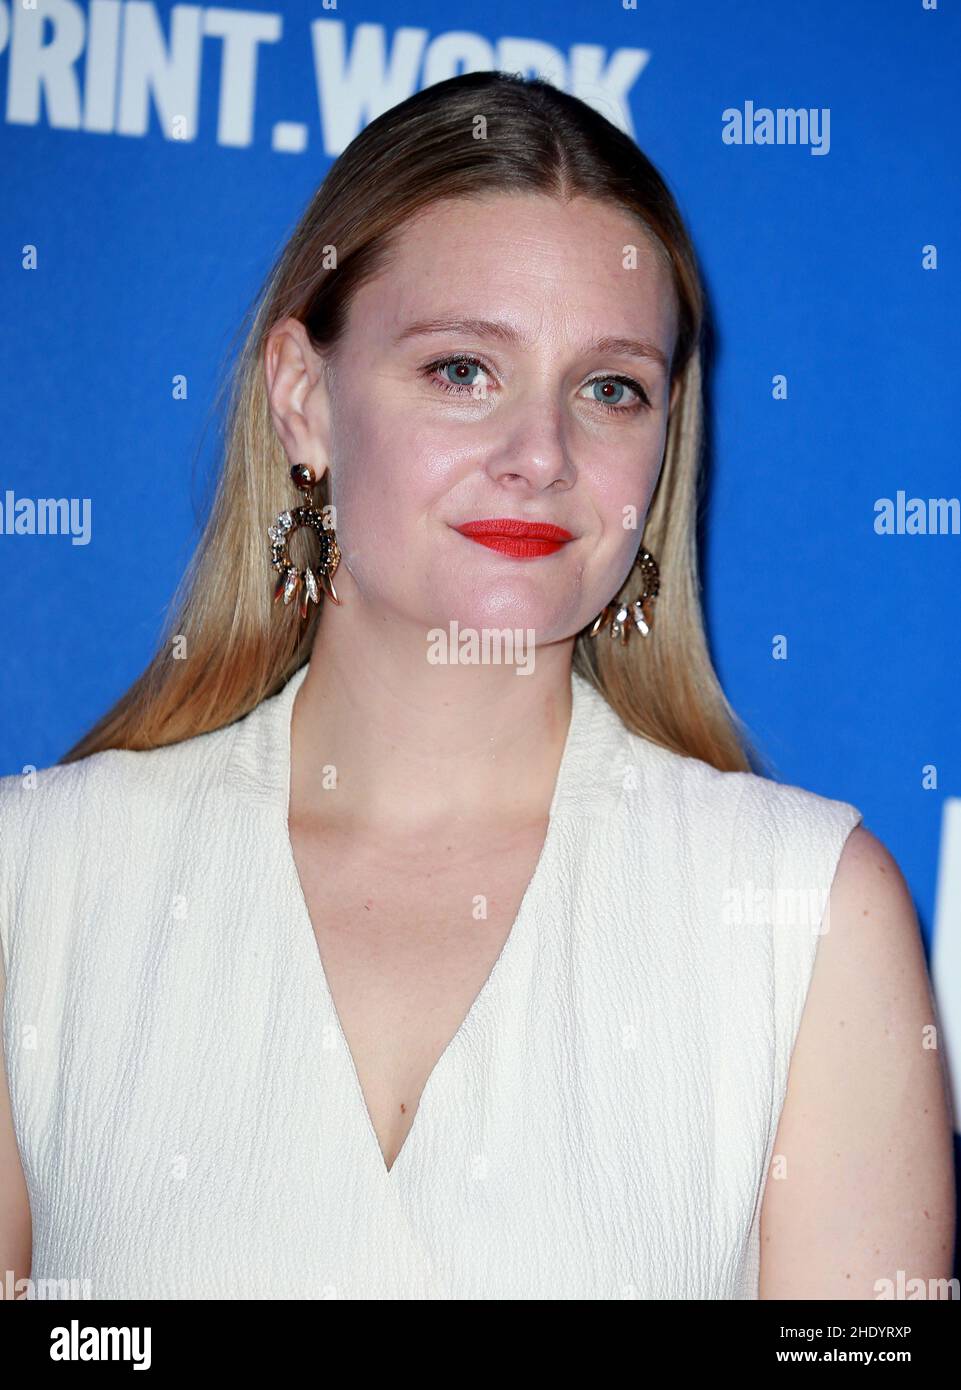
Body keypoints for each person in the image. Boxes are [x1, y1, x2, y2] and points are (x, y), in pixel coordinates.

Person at [0, 71, 953, 1301]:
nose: (542, 455)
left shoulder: (804, 918)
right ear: (304, 399)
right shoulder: (38, 886)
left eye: (610, 388)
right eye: (463, 369)